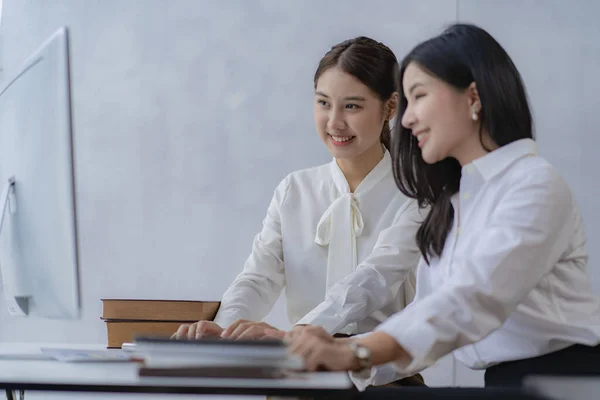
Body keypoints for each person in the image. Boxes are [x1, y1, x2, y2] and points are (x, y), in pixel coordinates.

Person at [280, 23, 600, 390]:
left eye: (419, 96)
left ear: (473, 97)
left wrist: (356, 353)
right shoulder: (455, 201)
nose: (406, 117)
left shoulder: (534, 184)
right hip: (508, 383)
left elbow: (471, 298)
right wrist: (338, 364)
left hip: (565, 381)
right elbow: (424, 311)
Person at [173, 37, 424, 384]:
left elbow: (374, 281)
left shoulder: (415, 195)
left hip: (382, 381)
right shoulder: (295, 190)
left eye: (352, 106)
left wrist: (300, 335)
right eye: (323, 103)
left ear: (390, 106)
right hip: (300, 376)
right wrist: (223, 331)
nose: (334, 122)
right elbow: (259, 277)